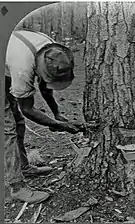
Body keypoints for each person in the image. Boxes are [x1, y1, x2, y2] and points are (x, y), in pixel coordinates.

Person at [5, 29, 86, 203]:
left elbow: (45, 85)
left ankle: (24, 167)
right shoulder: (23, 67)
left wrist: (56, 113)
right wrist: (59, 125)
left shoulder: (51, 51)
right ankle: (17, 187)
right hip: (10, 67)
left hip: (7, 61)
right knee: (8, 130)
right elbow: (27, 109)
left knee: (17, 122)